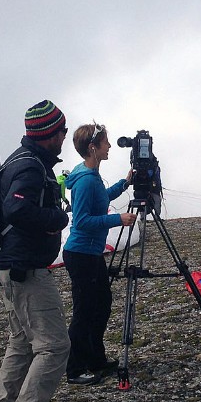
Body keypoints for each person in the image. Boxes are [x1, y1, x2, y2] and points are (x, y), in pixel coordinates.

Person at [0, 100, 73, 402]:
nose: (65, 138)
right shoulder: (29, 167)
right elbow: (17, 207)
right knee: (54, 346)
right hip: (26, 272)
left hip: (9, 268)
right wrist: (56, 219)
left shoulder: (19, 160)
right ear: (50, 135)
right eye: (62, 132)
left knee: (22, 341)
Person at [62, 123, 136, 385]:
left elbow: (100, 198)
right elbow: (81, 220)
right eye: (105, 142)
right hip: (81, 254)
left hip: (88, 254)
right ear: (93, 147)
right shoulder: (85, 181)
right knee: (85, 311)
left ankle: (96, 358)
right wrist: (119, 219)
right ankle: (74, 368)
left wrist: (124, 184)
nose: (109, 147)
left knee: (101, 305)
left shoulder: (89, 176)